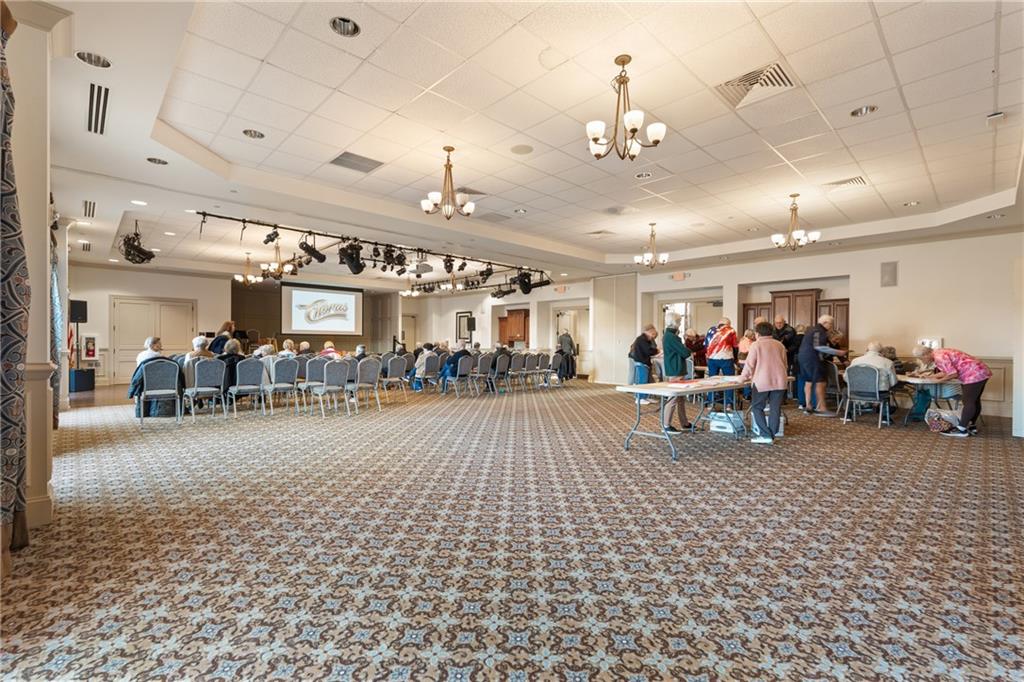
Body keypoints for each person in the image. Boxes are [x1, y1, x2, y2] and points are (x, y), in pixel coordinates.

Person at [912, 345, 991, 437]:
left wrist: (939, 381)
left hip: (973, 374)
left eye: (921, 358)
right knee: (974, 400)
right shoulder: (939, 353)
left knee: (968, 401)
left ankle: (962, 429)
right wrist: (929, 377)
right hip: (979, 371)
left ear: (925, 354)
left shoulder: (939, 357)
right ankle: (970, 425)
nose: (922, 361)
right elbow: (947, 371)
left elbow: (953, 374)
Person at [742, 322, 789, 445]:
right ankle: (772, 434)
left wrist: (742, 378)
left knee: (757, 407)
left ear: (757, 333)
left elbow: (749, 365)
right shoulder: (780, 345)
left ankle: (765, 434)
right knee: (775, 408)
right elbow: (785, 364)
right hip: (779, 380)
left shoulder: (756, 345)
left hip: (762, 381)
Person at [797, 315, 846, 416]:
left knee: (808, 381)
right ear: (825, 323)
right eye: (831, 324)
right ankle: (822, 408)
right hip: (813, 359)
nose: (831, 327)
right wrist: (838, 352)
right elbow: (819, 347)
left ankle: (808, 406)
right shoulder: (820, 331)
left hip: (803, 358)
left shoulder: (811, 329)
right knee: (821, 382)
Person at [661, 311, 692, 433]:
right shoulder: (671, 337)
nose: (680, 324)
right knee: (673, 398)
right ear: (675, 322)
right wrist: (687, 349)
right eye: (679, 321)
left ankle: (684, 423)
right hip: (676, 369)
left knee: (680, 399)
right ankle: (666, 425)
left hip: (676, 368)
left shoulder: (669, 336)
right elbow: (685, 353)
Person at [705, 318, 739, 407]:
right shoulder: (731, 331)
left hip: (712, 359)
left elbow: (706, 345)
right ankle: (728, 403)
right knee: (729, 381)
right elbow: (735, 346)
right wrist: (736, 359)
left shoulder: (711, 330)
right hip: (726, 358)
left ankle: (710, 403)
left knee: (712, 380)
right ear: (728, 324)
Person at [628, 324, 659, 405]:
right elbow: (648, 351)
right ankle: (639, 398)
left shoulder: (645, 339)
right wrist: (657, 351)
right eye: (653, 334)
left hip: (644, 362)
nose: (653, 337)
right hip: (641, 362)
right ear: (648, 332)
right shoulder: (641, 340)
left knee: (647, 381)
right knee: (642, 381)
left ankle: (645, 396)